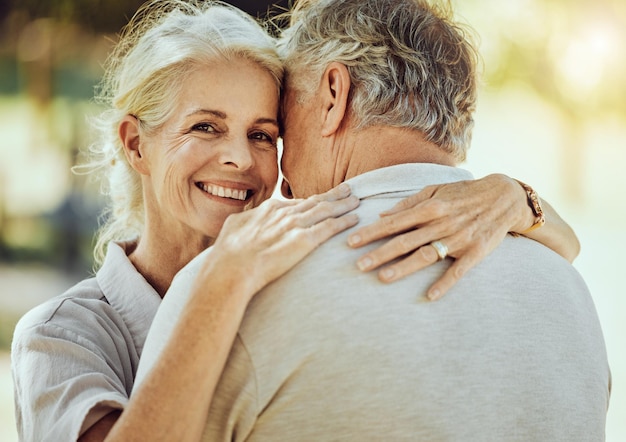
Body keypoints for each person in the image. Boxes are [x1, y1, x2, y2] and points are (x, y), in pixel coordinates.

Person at [11, 1, 582, 441]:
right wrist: (218, 285)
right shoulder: (60, 335)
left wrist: (516, 197)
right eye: (206, 127)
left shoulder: (288, 282)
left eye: (264, 135)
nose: (243, 160)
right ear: (136, 143)